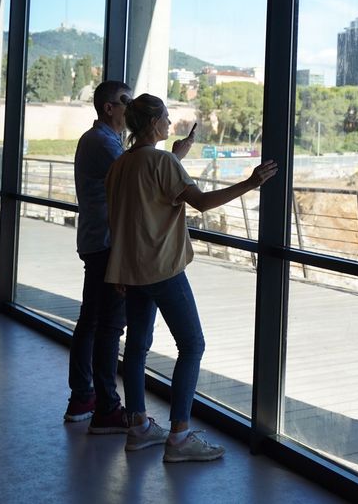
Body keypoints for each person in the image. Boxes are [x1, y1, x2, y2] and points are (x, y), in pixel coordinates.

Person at [106, 93, 277, 462]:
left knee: (136, 347)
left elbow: (135, 203)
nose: (170, 124)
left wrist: (177, 154)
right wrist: (251, 183)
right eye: (166, 118)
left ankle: (137, 427)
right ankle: (180, 436)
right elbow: (200, 202)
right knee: (192, 345)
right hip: (162, 268)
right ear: (154, 124)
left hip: (131, 269)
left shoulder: (122, 164)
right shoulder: (163, 162)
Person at [63, 80, 136, 426]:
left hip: (97, 241)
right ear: (110, 107)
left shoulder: (103, 141)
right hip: (107, 245)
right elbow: (138, 183)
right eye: (127, 102)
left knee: (92, 322)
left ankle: (83, 397)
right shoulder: (102, 143)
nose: (131, 108)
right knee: (109, 326)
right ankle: (107, 406)